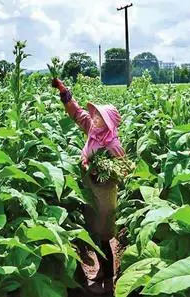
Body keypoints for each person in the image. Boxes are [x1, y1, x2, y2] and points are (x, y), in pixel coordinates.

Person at [51, 77, 124, 295]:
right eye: (96, 116)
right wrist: (63, 90)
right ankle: (101, 269)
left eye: (100, 117)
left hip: (103, 193)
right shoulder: (92, 130)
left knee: (103, 234)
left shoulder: (112, 144)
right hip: (89, 191)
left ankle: (108, 276)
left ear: (109, 122)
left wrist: (95, 167)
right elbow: (76, 112)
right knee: (93, 230)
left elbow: (122, 170)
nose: (95, 119)